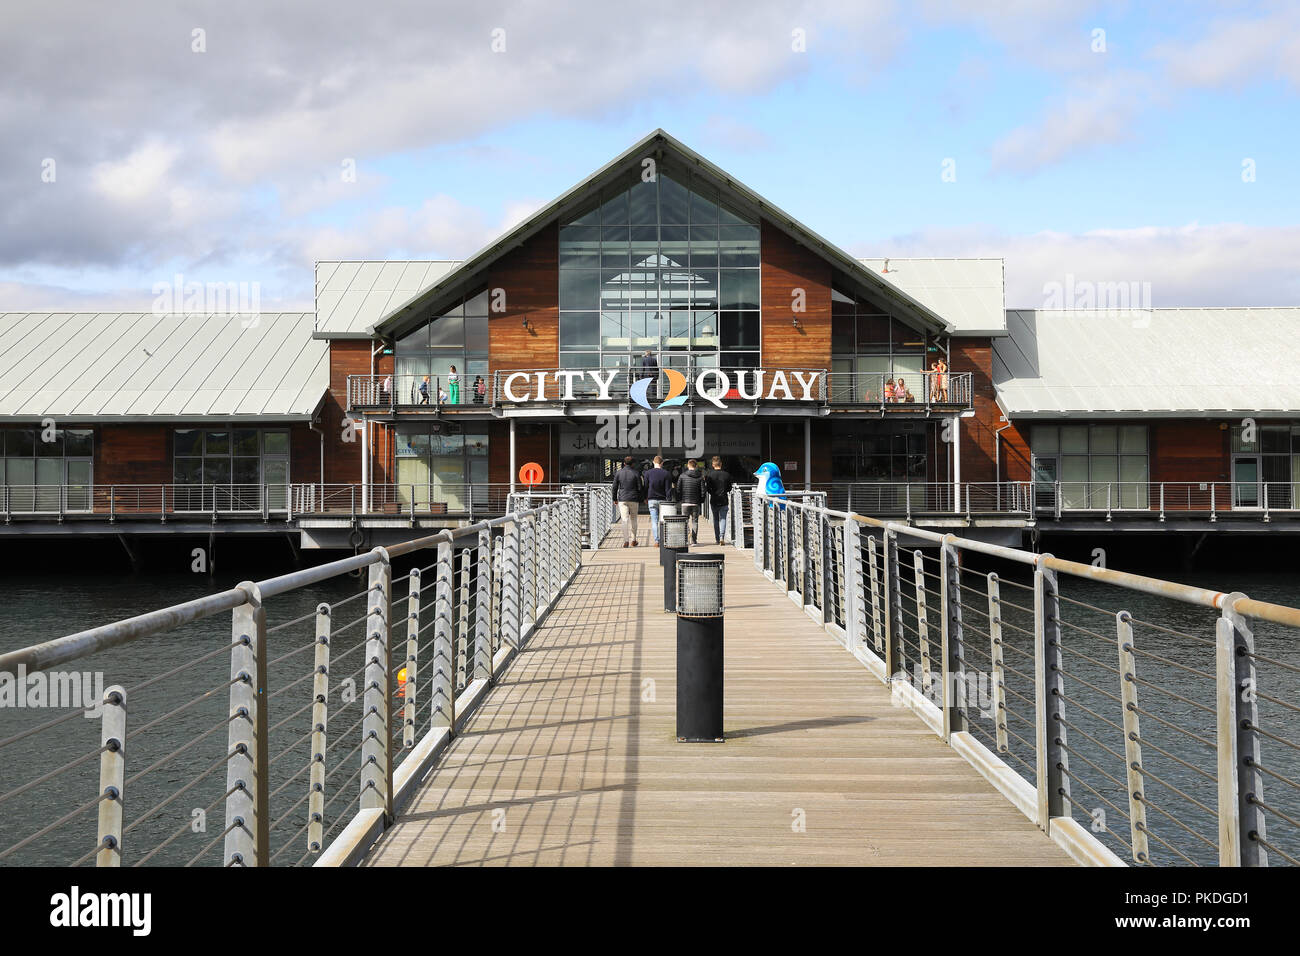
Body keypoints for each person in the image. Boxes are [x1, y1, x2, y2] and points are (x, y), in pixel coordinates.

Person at [611, 455, 643, 547]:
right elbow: (640, 487)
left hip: (622, 499)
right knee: (634, 519)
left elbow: (614, 487)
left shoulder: (619, 473)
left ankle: (626, 541)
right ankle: (634, 540)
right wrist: (640, 498)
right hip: (633, 498)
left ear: (624, 463)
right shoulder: (636, 473)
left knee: (624, 520)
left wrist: (614, 499)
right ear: (633, 464)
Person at [644, 455, 673, 544]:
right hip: (663, 500)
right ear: (662, 463)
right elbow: (668, 489)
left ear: (653, 462)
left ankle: (657, 540)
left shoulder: (647, 473)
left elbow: (646, 487)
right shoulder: (666, 473)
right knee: (664, 520)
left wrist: (645, 497)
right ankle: (665, 539)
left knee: (654, 521)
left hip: (651, 499)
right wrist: (669, 500)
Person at [704, 456, 734, 544]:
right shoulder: (727, 475)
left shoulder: (709, 475)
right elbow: (729, 488)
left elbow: (708, 488)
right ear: (721, 464)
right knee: (723, 518)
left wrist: (713, 493)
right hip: (724, 499)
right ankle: (722, 537)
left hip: (714, 500)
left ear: (713, 464)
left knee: (716, 519)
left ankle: (717, 539)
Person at [676, 459, 704, 544]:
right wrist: (701, 501)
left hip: (685, 502)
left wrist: (679, 499)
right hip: (696, 503)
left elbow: (678, 489)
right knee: (695, 521)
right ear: (696, 466)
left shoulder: (682, 476)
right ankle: (694, 540)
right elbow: (703, 491)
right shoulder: (700, 477)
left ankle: (687, 534)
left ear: (688, 465)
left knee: (685, 521)